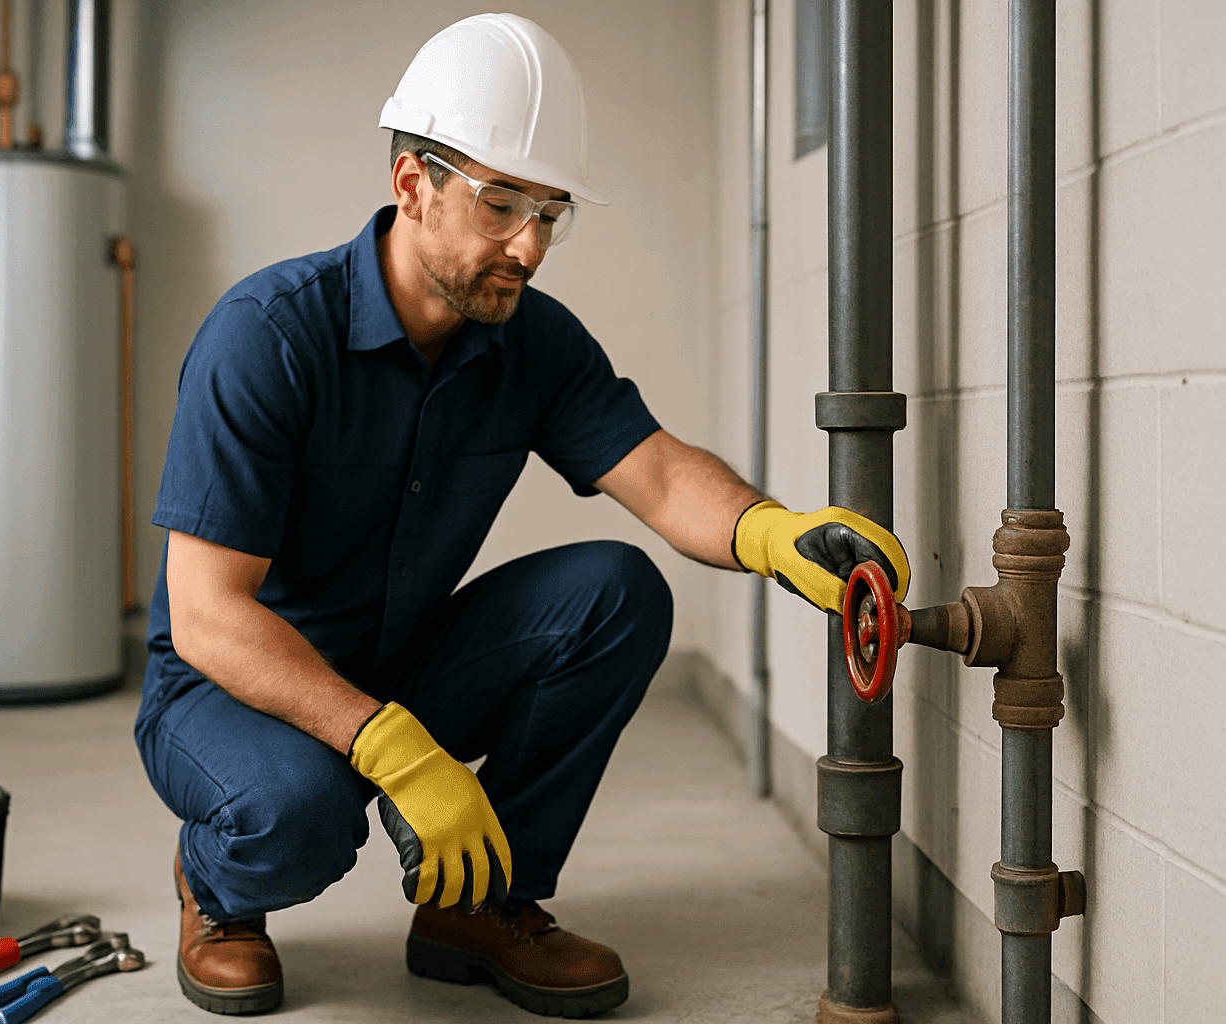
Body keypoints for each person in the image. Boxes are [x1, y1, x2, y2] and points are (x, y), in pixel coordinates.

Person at [135, 12, 910, 1019]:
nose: (532, 247)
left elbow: (665, 477)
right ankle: (218, 887)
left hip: (397, 656)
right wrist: (394, 747)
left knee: (614, 591)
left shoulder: (528, 340)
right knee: (301, 814)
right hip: (229, 685)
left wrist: (774, 533)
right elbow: (207, 616)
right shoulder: (268, 338)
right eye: (502, 204)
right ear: (413, 184)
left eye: (551, 212)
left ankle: (483, 904)